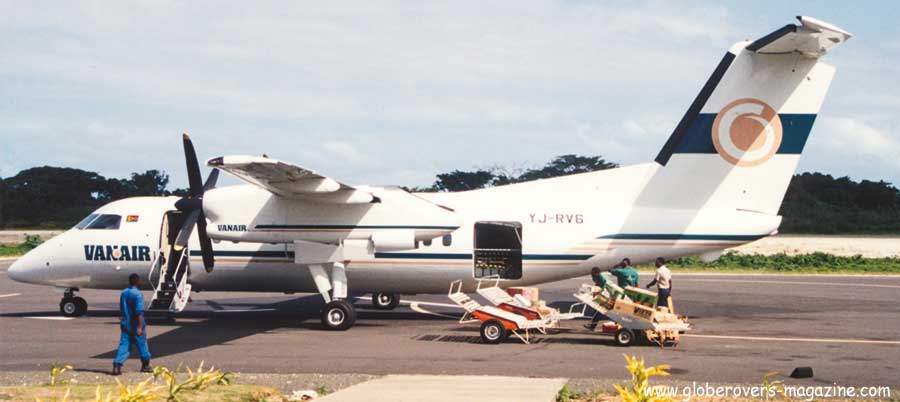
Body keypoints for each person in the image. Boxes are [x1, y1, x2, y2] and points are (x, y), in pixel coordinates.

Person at [112, 273, 152, 375]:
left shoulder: (124, 292)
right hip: (135, 324)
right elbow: (139, 312)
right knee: (142, 344)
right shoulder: (138, 295)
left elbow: (122, 307)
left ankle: (117, 365)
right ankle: (145, 365)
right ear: (137, 281)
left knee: (124, 344)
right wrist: (139, 327)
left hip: (126, 322)